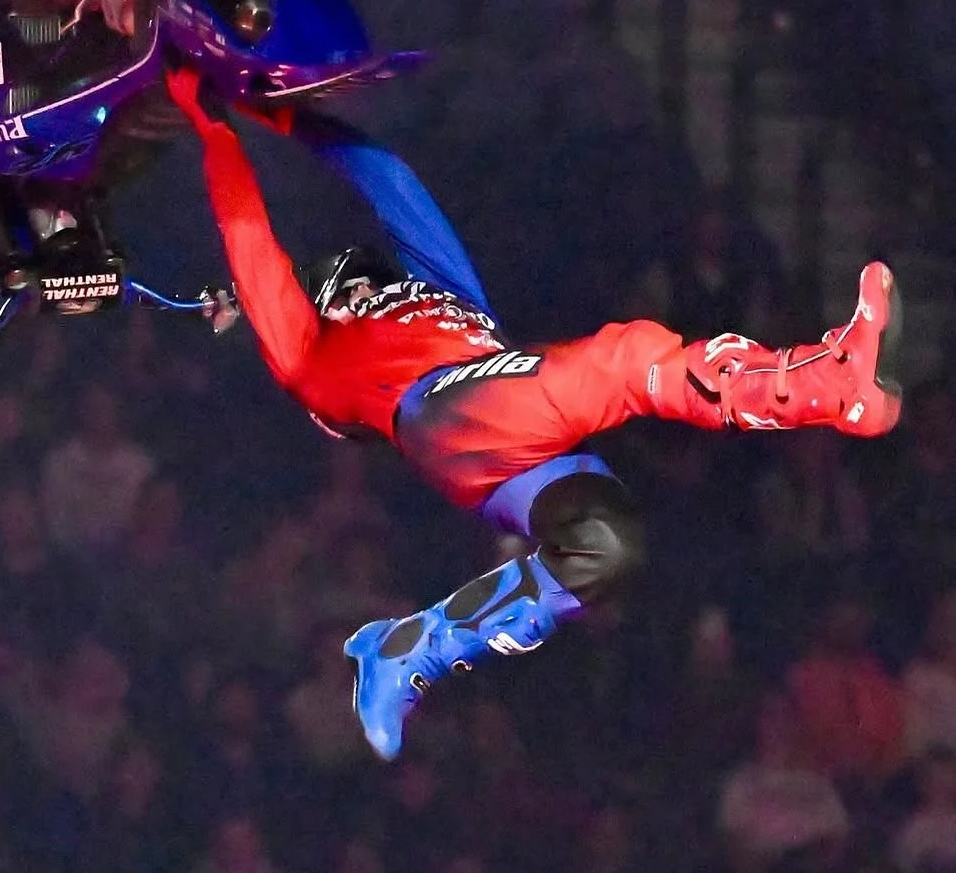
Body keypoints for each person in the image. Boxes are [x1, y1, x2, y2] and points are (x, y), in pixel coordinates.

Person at [166, 67, 904, 762]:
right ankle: (822, 382)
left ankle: (409, 649)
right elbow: (250, 241)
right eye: (348, 289)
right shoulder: (312, 356)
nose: (365, 288)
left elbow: (386, 176)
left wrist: (277, 107)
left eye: (365, 278)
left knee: (605, 544)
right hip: (437, 416)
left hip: (496, 453)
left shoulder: (445, 293)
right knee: (626, 358)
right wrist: (214, 125)